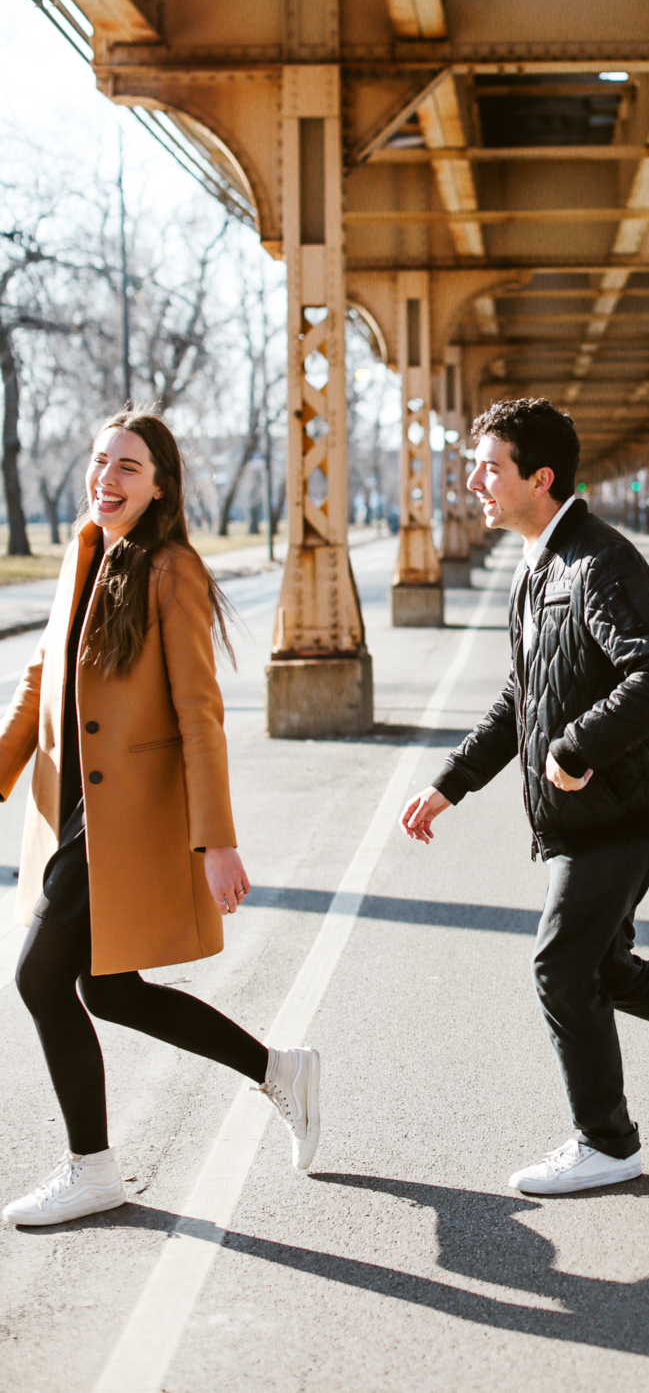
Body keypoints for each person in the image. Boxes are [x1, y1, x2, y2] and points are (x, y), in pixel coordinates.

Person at [400, 398, 649, 1196]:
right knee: (601, 970)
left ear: (540, 478)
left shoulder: (598, 561)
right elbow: (521, 699)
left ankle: (606, 1142)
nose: (475, 480)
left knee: (560, 967)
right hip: (593, 809)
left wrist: (576, 746)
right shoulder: (539, 565)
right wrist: (450, 783)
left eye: (491, 466)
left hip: (623, 805)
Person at [1, 410, 320, 1228]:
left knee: (39, 975)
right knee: (109, 991)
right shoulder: (85, 549)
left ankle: (92, 1167)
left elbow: (198, 713)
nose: (106, 479)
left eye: (129, 468)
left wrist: (216, 840)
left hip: (124, 817)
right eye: (100, 461)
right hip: (73, 804)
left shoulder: (170, 568)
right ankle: (280, 1071)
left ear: (160, 485)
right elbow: (39, 679)